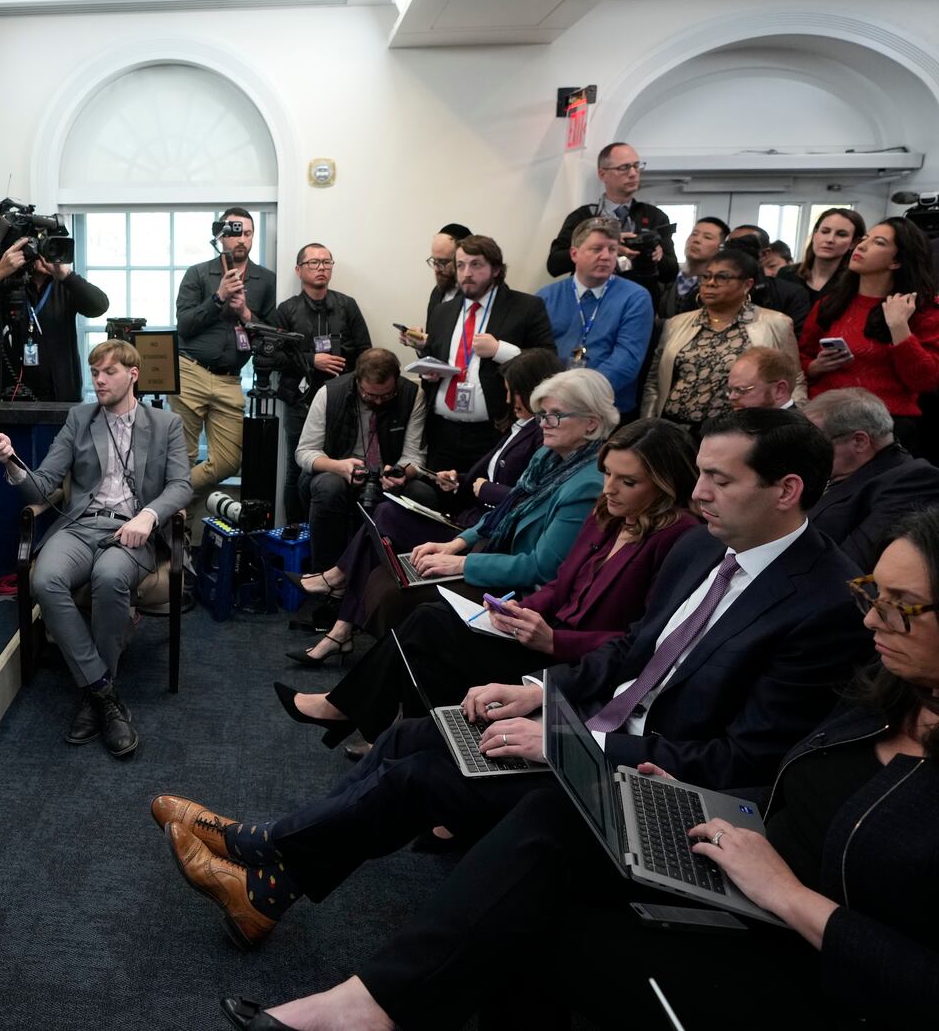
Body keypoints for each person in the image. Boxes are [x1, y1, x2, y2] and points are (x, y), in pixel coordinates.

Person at [154, 410, 868, 951]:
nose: (699, 491)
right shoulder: (709, 548)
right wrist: (541, 692)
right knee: (412, 734)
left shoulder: (821, 601)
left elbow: (747, 761)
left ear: (788, 490)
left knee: (420, 775)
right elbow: (629, 653)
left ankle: (262, 849)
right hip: (591, 725)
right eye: (700, 473)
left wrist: (570, 743)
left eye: (719, 479)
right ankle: (269, 880)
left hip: (650, 782)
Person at [212, 507, 939, 1031]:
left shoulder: (816, 615)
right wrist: (693, 798)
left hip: (816, 956)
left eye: (900, 605)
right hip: (743, 864)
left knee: (511, 897)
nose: (873, 620)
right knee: (496, 793)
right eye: (871, 596)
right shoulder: (890, 692)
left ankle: (313, 926)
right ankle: (338, 969)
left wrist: (786, 893)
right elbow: (777, 776)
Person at [285, 418, 700, 745]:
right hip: (545, 638)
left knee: (429, 633)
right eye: (608, 474)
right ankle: (391, 733)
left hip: (577, 663)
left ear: (665, 484)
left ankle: (363, 718)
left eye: (627, 481)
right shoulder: (608, 513)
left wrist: (553, 640)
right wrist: (520, 610)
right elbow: (560, 584)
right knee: (430, 622)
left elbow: (645, 642)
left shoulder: (677, 539)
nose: (608, 488)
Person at [286, 368, 613, 666]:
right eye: (543, 414)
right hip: (486, 545)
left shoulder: (587, 484)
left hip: (518, 586)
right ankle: (374, 672)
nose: (542, 423)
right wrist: (456, 544)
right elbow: (505, 511)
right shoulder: (548, 456)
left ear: (592, 424)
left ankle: (367, 660)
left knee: (392, 589)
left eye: (555, 416)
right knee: (387, 564)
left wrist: (461, 563)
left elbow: (540, 567)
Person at [0, 339, 192, 758]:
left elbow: (182, 485)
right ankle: (101, 691)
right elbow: (43, 484)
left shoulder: (166, 424)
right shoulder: (79, 419)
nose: (98, 380)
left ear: (133, 374)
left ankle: (93, 694)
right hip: (80, 526)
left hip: (131, 531)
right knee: (45, 579)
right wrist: (10, 460)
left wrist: (149, 516)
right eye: (94, 372)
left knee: (110, 576)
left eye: (109, 372)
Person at [415, 234, 555, 472]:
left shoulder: (526, 307)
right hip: (442, 430)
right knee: (438, 497)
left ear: (496, 269)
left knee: (482, 497)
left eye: (476, 264)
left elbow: (548, 363)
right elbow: (436, 355)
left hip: (494, 430)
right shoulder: (442, 311)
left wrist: (500, 350)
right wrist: (430, 370)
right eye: (460, 265)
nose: (466, 272)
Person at [800, 216, 939, 452]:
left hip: (885, 427)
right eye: (864, 239)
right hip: (823, 419)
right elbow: (801, 356)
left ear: (896, 261)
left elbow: (925, 380)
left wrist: (899, 329)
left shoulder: (922, 310)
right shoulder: (831, 304)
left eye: (879, 242)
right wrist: (814, 367)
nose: (861, 246)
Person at [641, 240, 805, 432]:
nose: (711, 283)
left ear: (747, 285)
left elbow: (795, 380)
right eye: (706, 277)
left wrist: (794, 427)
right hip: (674, 430)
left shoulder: (776, 323)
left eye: (723, 277)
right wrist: (647, 425)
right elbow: (654, 382)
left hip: (741, 432)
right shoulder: (676, 324)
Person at [171, 207, 276, 496]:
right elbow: (186, 325)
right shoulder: (198, 274)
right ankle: (180, 533)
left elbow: (272, 333)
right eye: (234, 232)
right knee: (182, 459)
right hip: (190, 372)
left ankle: (164, 498)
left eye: (248, 233)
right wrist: (218, 297)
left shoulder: (266, 280)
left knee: (229, 462)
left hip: (231, 379)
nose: (241, 239)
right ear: (220, 235)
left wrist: (244, 312)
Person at [292, 348, 426, 571]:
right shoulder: (329, 393)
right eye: (370, 395)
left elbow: (415, 456)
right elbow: (304, 452)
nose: (379, 401)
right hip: (339, 472)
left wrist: (402, 472)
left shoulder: (412, 395)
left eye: (386, 395)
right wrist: (339, 467)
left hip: (387, 475)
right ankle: (326, 574)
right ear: (357, 381)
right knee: (328, 486)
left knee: (422, 493)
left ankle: (404, 574)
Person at [274, 243, 372, 523]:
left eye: (326, 263)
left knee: (340, 464)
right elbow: (272, 356)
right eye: (314, 263)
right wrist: (311, 360)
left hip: (344, 402)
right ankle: (296, 530)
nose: (321, 268)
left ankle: (335, 529)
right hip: (299, 402)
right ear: (298, 269)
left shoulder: (347, 305)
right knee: (297, 469)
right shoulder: (287, 309)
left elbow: (366, 350)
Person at [0, 231, 110, 402]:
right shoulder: (7, 282)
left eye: (48, 248)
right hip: (15, 392)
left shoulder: (65, 285)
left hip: (62, 392)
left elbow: (100, 306)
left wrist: (67, 276)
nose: (43, 255)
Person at [803, 388, 939, 572]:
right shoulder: (835, 471)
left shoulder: (913, 481)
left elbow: (852, 563)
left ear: (859, 441)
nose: (807, 452)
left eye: (816, 443)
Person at [535, 216, 654, 412]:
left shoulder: (635, 297)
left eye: (612, 249)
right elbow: (537, 355)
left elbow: (627, 360)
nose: (606, 256)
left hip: (606, 408)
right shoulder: (546, 297)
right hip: (552, 406)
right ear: (574, 254)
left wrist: (578, 395)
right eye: (597, 249)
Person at [546, 141, 678, 299]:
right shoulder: (583, 217)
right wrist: (606, 247)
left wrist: (656, 255)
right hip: (589, 301)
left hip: (638, 303)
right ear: (602, 174)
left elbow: (670, 273)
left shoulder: (655, 217)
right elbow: (554, 265)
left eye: (636, 166)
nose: (633, 173)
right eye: (624, 168)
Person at [777, 207, 866, 308]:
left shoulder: (855, 285)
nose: (830, 239)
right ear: (815, 235)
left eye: (841, 234)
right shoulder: (786, 274)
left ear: (854, 243)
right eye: (825, 231)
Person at [727, 225, 812, 329]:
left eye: (743, 246)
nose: (734, 254)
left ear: (764, 254)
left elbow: (794, 338)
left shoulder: (792, 294)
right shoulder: (713, 288)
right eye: (729, 247)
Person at [401, 223, 470, 345]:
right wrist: (420, 343)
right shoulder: (436, 293)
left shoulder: (476, 295)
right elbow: (432, 348)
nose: (436, 269)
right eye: (434, 261)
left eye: (443, 262)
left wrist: (430, 342)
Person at [659, 215, 731, 318]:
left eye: (707, 237)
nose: (697, 240)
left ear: (721, 247)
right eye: (694, 234)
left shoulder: (719, 286)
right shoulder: (666, 277)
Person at [725, 344, 805, 411]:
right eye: (730, 390)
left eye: (741, 390)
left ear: (780, 390)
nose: (731, 397)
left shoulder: (797, 429)